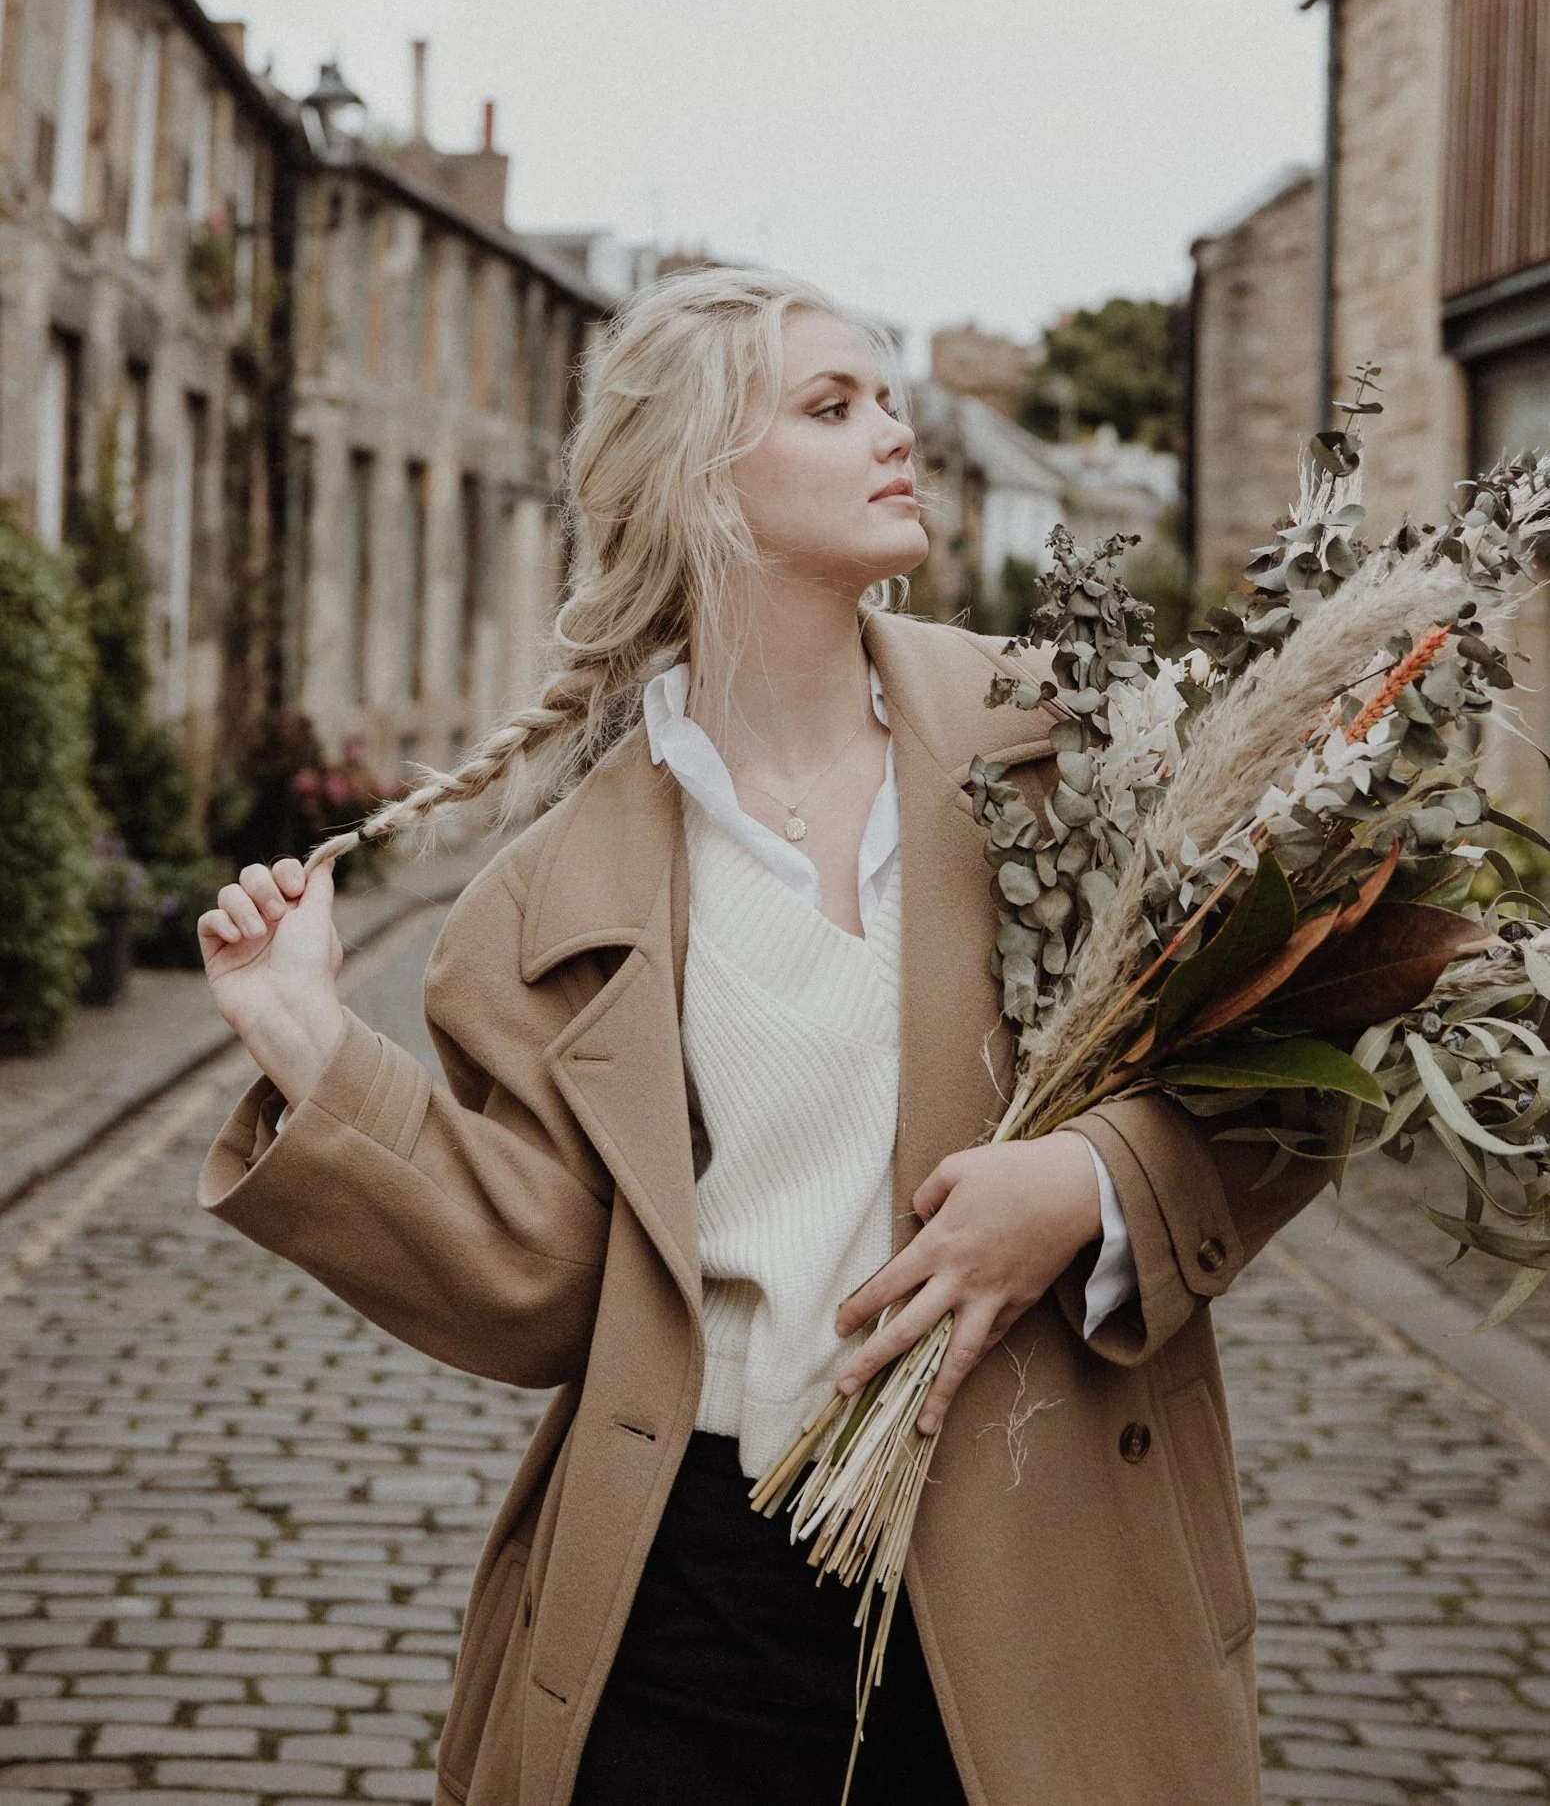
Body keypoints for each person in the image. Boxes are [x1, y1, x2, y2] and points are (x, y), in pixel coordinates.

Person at [197, 267, 1323, 1806]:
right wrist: (309, 1042)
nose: (895, 433)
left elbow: (1295, 1048)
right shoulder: (539, 902)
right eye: (832, 406)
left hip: (1048, 1556)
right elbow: (542, 1293)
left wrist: (1089, 1184)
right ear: (697, 482)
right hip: (693, 1587)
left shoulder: (1073, 738)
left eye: (887, 400)